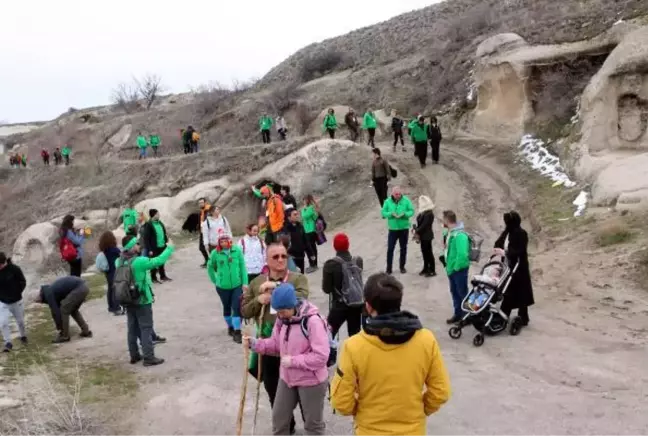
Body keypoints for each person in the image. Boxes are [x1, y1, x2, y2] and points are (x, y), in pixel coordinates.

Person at [330, 273, 451, 435]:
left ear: (368, 306)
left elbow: (341, 402)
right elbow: (440, 391)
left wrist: (363, 412)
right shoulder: (426, 340)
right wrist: (420, 411)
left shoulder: (354, 346)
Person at [244, 282, 329, 436]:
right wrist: (255, 344)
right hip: (287, 378)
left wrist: (293, 361)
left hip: (311, 381)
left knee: (313, 426)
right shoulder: (281, 320)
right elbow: (276, 344)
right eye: (278, 312)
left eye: (282, 311)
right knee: (279, 420)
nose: (279, 315)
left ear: (292, 306)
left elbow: (321, 357)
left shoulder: (313, 321)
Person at [241, 243, 309, 435]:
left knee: (303, 391)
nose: (280, 260)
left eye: (283, 256)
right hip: (269, 346)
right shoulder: (256, 283)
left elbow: (303, 300)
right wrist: (258, 300)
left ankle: (311, 426)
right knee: (274, 391)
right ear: (266, 260)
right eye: (275, 257)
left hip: (297, 346)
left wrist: (277, 288)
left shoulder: (298, 279)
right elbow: (244, 311)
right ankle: (288, 425)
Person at [118, 235, 173, 366]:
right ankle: (149, 357)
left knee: (132, 328)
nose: (139, 246)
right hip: (141, 299)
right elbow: (159, 260)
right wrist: (169, 247)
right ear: (132, 246)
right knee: (146, 328)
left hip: (127, 298)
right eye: (137, 244)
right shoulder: (139, 262)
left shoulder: (119, 261)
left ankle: (134, 355)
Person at [493, 211, 534, 326]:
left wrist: (505, 252)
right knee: (511, 291)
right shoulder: (507, 232)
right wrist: (497, 249)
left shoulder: (521, 234)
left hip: (519, 267)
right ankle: (516, 315)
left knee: (518, 292)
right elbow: (498, 242)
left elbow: (520, 250)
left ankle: (516, 315)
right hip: (507, 266)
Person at [207, 233, 248, 343]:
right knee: (227, 307)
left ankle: (237, 331)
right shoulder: (215, 253)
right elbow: (211, 267)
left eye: (226, 241)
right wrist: (216, 280)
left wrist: (245, 283)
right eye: (221, 242)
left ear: (230, 241)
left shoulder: (237, 251)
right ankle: (230, 327)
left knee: (236, 307)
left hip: (237, 285)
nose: (224, 243)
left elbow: (242, 267)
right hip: (222, 287)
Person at [322, 233, 364, 338]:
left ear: (334, 246)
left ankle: (330, 354)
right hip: (356, 303)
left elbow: (326, 289)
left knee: (327, 334)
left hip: (340, 305)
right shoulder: (358, 261)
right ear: (348, 245)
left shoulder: (330, 265)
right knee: (355, 336)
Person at [37, 276, 93, 343]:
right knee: (73, 310)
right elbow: (56, 308)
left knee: (64, 309)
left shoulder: (48, 294)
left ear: (39, 296)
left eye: (38, 301)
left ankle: (64, 336)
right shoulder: (48, 290)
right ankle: (85, 331)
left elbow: (55, 312)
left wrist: (59, 328)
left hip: (79, 288)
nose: (40, 303)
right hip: (83, 287)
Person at [442, 210, 470, 324]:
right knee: (454, 292)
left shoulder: (460, 235)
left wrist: (456, 267)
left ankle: (467, 317)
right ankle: (458, 314)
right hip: (451, 269)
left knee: (462, 293)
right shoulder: (451, 233)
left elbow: (462, 254)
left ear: (447, 220)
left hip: (458, 270)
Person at [381, 187, 415, 275]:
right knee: (390, 248)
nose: (398, 196)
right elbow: (383, 213)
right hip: (393, 230)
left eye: (399, 194)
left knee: (403, 248)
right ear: (392, 194)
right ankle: (389, 268)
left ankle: (402, 266)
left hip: (404, 229)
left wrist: (405, 214)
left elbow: (412, 211)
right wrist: (391, 214)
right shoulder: (387, 201)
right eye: (396, 194)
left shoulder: (406, 200)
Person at [0, 253, 27, 352]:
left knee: (20, 322)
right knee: (3, 323)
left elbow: (23, 281)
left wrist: (17, 292)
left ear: (4, 263)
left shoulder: (15, 269)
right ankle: (8, 343)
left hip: (16, 301)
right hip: (3, 302)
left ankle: (23, 336)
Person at [142, 209, 172, 283]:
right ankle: (153, 278)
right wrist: (150, 249)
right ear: (153, 215)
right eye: (157, 214)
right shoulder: (149, 225)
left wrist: (166, 241)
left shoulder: (160, 223)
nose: (159, 215)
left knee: (162, 262)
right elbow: (146, 238)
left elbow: (164, 232)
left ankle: (163, 276)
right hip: (154, 248)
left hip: (162, 246)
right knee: (154, 263)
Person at [98, 231, 123, 315]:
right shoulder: (114, 249)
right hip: (114, 271)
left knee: (110, 289)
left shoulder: (104, 250)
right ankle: (117, 308)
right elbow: (121, 255)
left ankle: (111, 307)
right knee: (116, 290)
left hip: (108, 272)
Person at [413, 195, 436, 277]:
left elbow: (425, 225)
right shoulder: (423, 212)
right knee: (424, 252)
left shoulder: (429, 214)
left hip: (427, 236)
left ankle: (432, 270)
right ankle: (426, 267)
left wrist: (416, 231)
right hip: (423, 236)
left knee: (429, 252)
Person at [285, 209, 309, 274]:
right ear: (289, 217)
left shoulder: (300, 226)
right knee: (294, 278)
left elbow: (305, 241)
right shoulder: (285, 230)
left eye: (297, 214)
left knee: (301, 275)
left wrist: (310, 253)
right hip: (291, 258)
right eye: (295, 214)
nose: (297, 216)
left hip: (301, 256)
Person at [300, 195, 319, 274]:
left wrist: (304, 209)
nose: (303, 202)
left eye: (304, 200)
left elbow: (304, 215)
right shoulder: (309, 208)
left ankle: (313, 264)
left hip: (310, 230)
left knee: (311, 248)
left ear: (307, 201)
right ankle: (313, 264)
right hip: (307, 230)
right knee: (311, 248)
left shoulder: (310, 208)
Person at [197, 198, 212, 267]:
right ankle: (208, 261)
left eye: (202, 202)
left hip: (208, 232)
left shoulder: (208, 210)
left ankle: (212, 261)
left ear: (205, 203)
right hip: (202, 231)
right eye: (199, 203)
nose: (200, 204)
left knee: (210, 247)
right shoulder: (202, 211)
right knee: (201, 247)